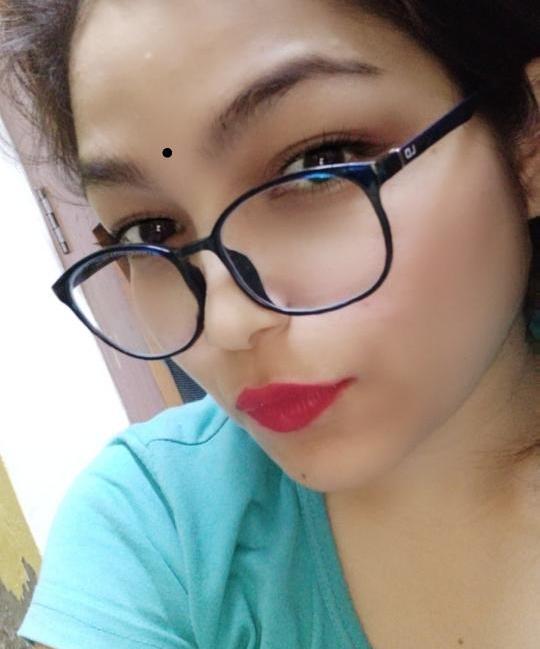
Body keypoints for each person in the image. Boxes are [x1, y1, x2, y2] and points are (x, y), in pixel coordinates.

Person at [1, 1, 539, 647]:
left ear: (528, 141)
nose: (227, 321)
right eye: (150, 230)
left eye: (318, 163)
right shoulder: (156, 524)